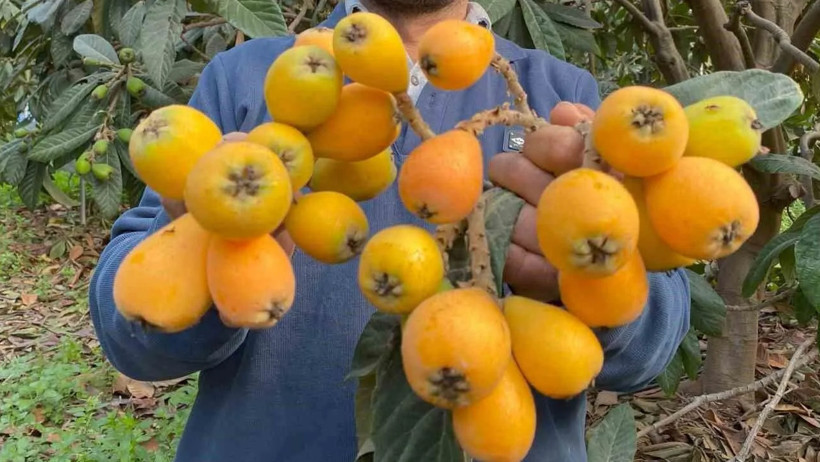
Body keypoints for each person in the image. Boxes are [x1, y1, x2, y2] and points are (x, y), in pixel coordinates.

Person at [88, 1, 692, 461]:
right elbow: (134, 330)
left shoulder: (559, 94)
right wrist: (207, 247)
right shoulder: (245, 78)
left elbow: (648, 346)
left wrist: (588, 281)